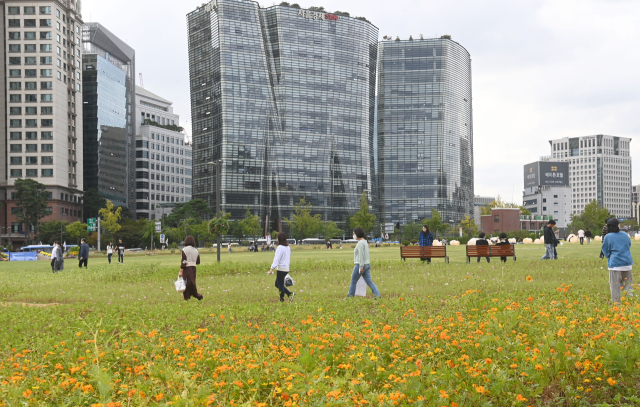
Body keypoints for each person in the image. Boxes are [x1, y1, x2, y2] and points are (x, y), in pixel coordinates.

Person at [601, 218, 633, 303]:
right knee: (628, 287)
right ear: (618, 225)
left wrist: (609, 256)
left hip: (615, 265)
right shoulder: (625, 234)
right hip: (627, 263)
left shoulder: (608, 236)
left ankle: (616, 306)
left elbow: (605, 250)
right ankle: (631, 304)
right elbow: (629, 244)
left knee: (615, 288)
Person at [347, 227, 381, 299]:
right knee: (369, 282)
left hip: (360, 265)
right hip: (367, 264)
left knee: (353, 281)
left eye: (354, 234)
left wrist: (361, 266)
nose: (353, 235)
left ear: (357, 234)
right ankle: (377, 295)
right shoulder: (365, 242)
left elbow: (361, 256)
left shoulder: (360, 243)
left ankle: (350, 296)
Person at [269, 232, 295, 302]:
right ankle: (289, 294)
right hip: (286, 268)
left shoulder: (280, 247)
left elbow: (277, 259)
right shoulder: (288, 247)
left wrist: (272, 268)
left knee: (280, 285)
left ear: (279, 239)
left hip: (281, 269)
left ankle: (282, 299)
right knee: (277, 283)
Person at [179, 235, 203, 301]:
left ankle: (189, 297)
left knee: (186, 283)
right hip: (193, 268)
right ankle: (196, 296)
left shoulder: (184, 250)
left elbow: (184, 261)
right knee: (192, 283)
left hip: (186, 269)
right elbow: (198, 262)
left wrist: (181, 271)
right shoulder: (196, 250)